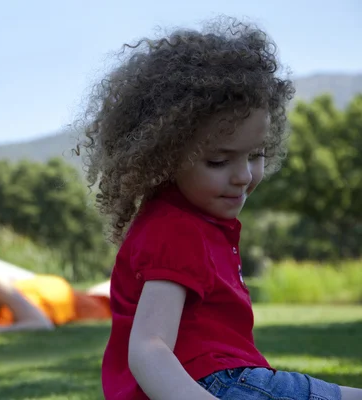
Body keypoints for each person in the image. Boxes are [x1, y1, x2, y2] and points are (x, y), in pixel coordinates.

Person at [77, 16, 362, 400]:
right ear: (166, 154)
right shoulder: (175, 229)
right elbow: (149, 349)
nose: (244, 175)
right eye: (218, 161)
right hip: (215, 385)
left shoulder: (190, 219)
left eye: (256, 155)